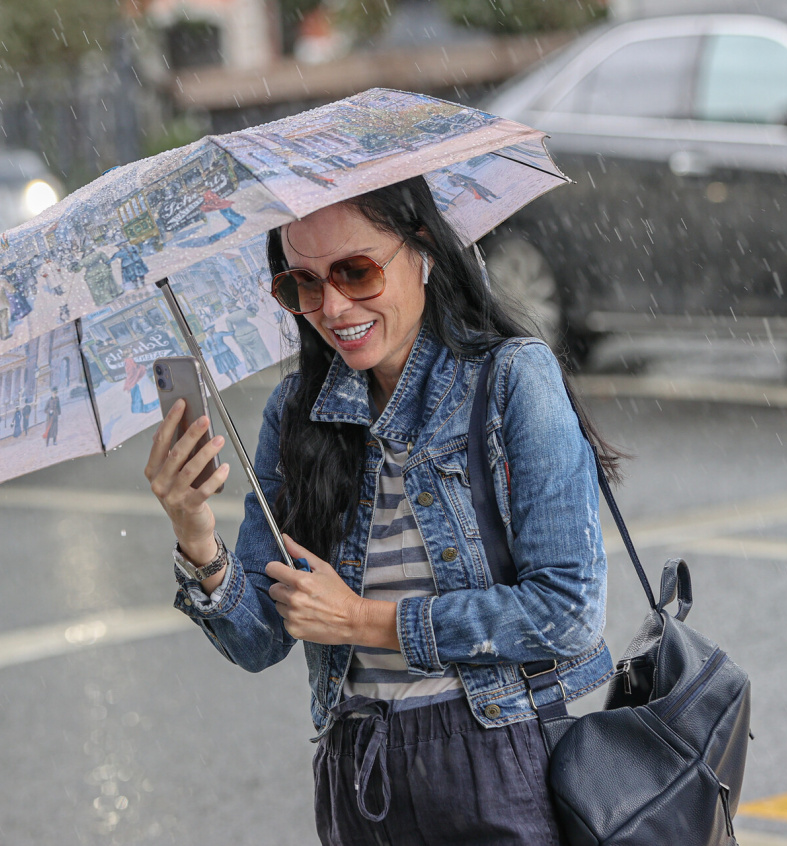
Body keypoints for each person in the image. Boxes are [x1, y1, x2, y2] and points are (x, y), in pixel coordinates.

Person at [145, 176, 623, 845]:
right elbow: (259, 641)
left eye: (356, 271)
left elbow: (567, 611)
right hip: (357, 777)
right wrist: (194, 531)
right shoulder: (295, 414)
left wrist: (362, 621)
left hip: (497, 761)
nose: (333, 307)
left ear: (421, 248)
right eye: (303, 284)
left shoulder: (512, 379)